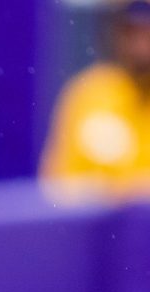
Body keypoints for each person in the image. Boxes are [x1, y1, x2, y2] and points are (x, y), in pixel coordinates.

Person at [40, 0, 150, 201]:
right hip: (100, 231)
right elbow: (58, 188)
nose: (140, 46)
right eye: (131, 32)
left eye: (147, 33)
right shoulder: (88, 95)